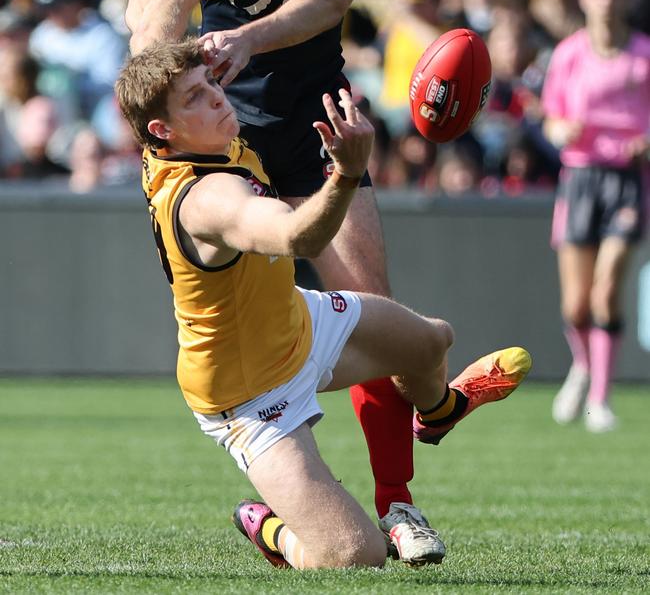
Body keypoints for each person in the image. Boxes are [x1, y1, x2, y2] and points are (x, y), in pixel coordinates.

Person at [124, 0, 442, 564]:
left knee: (387, 311)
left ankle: (400, 501)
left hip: (316, 125)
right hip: (222, 146)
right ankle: (292, 459)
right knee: (249, 331)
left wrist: (243, 33)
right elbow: (140, 21)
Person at [114, 36, 532, 570]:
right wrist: (347, 174)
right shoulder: (205, 199)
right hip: (250, 396)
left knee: (432, 340)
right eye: (196, 97)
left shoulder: (191, 139)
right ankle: (269, 528)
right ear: (161, 132)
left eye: (212, 85)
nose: (218, 98)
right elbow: (297, 238)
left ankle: (439, 411)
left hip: (298, 321)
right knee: (356, 555)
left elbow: (149, 18)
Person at [541, 0, 650, 433]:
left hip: (626, 179)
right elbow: (551, 117)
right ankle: (583, 365)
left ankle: (600, 399)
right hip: (580, 178)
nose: (606, 0)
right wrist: (561, 130)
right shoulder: (568, 54)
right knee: (576, 305)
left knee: (607, 290)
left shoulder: (643, 54)